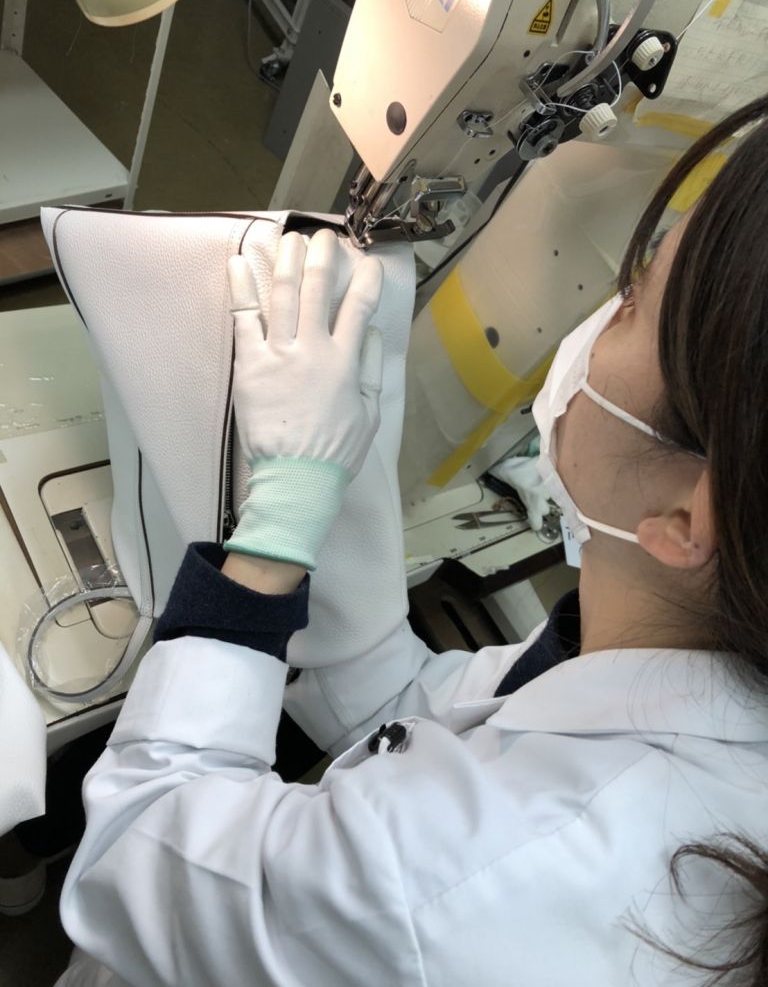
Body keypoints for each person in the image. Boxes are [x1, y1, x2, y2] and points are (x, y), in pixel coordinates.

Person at [54, 95, 768, 987]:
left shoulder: (460, 886)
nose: (599, 314)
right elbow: (421, 714)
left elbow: (134, 863)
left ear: (689, 519)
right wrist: (334, 516)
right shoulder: (690, 675)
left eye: (631, 302)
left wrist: (278, 527)